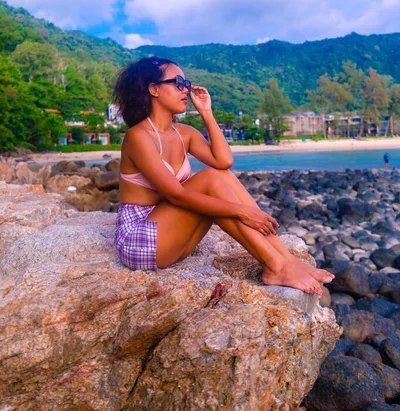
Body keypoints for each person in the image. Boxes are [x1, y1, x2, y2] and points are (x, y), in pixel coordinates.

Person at [113, 56, 334, 295]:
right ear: (154, 89)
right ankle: (276, 266)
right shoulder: (138, 136)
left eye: (186, 83)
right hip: (140, 239)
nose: (185, 89)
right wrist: (241, 211)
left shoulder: (184, 133)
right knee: (209, 179)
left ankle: (284, 260)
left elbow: (224, 161)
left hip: (171, 236)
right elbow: (176, 195)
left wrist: (207, 113)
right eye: (177, 82)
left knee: (220, 175)